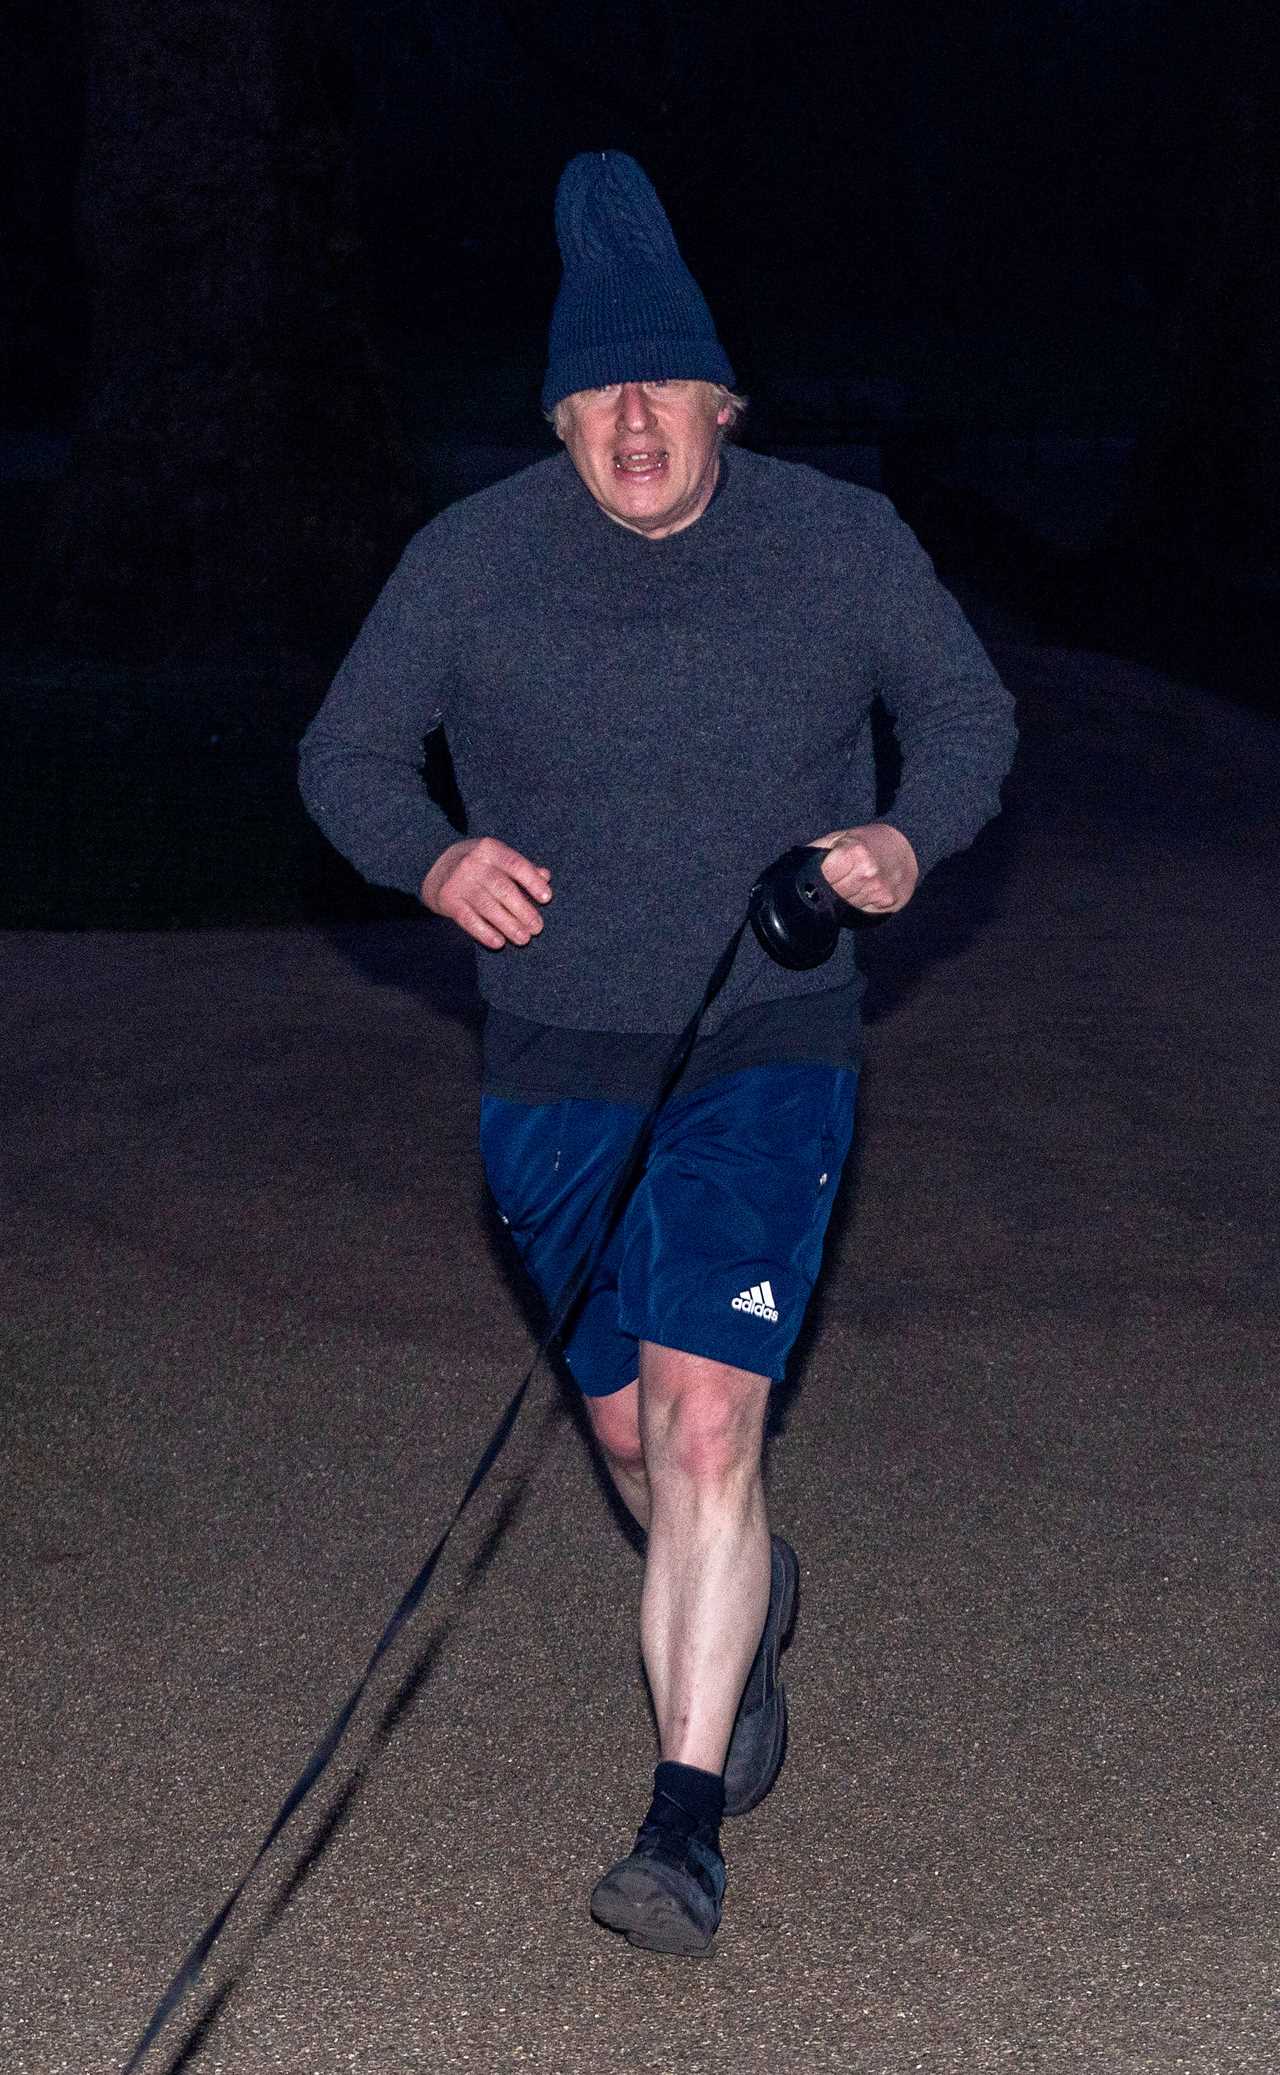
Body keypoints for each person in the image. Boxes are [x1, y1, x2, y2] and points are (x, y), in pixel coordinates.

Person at [299, 150, 1016, 1957]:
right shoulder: (467, 564)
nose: (632, 425)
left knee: (707, 1426)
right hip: (554, 1052)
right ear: (557, 418)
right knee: (632, 1438)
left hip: (768, 1038)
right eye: (595, 396)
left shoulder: (837, 541)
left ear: (722, 403)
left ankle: (681, 1826)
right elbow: (348, 756)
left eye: (660, 392)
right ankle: (747, 1605)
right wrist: (435, 853)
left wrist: (901, 843)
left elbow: (964, 709)